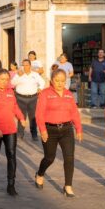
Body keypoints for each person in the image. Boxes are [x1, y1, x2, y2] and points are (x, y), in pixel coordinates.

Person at [34, 69, 83, 197]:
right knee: (49, 157)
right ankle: (40, 173)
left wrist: (78, 129)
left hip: (66, 130)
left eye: (62, 81)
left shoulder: (68, 94)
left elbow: (74, 113)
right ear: (51, 81)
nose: (60, 83)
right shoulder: (45, 93)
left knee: (69, 157)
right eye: (57, 81)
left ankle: (68, 186)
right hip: (50, 130)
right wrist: (43, 130)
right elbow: (39, 114)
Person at [0, 69, 27, 196]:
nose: (5, 82)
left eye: (7, 79)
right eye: (2, 79)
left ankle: (11, 184)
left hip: (10, 129)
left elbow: (14, 107)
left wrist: (21, 118)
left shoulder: (10, 92)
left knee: (11, 155)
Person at [11, 59, 46, 139]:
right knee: (21, 116)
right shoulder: (19, 74)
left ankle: (34, 134)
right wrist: (18, 76)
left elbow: (42, 82)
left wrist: (40, 88)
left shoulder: (35, 74)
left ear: (30, 66)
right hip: (20, 98)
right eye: (23, 65)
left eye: (26, 65)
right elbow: (13, 83)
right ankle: (20, 133)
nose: (24, 67)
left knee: (32, 117)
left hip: (32, 98)